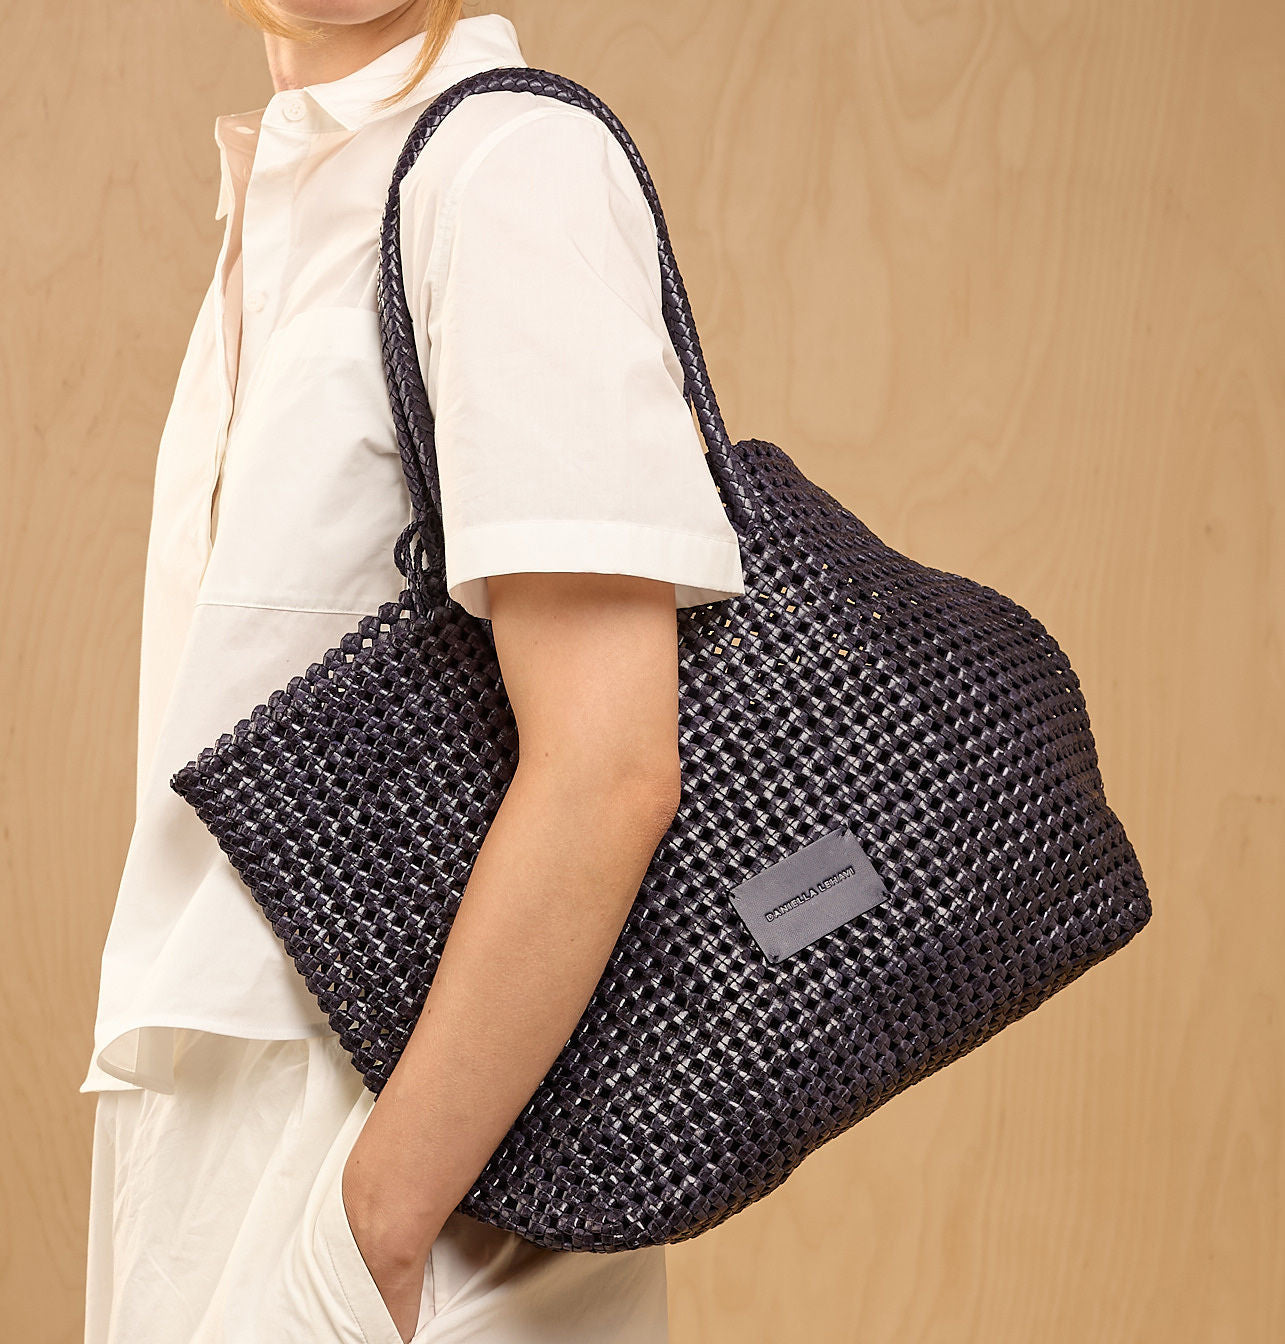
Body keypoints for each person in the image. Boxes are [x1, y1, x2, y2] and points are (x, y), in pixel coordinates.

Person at [79, 3, 746, 1341]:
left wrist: (374, 1225)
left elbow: (608, 768)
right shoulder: (301, 188)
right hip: (226, 1142)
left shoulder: (507, 169)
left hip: (388, 1172)